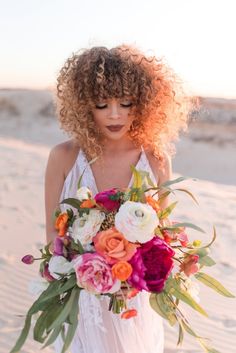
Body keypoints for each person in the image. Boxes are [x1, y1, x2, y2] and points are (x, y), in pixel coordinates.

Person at [45, 44, 192, 353]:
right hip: (82, 302)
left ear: (142, 103)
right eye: (102, 104)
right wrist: (85, 275)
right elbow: (52, 239)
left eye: (125, 102)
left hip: (134, 303)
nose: (114, 114)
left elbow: (161, 237)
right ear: (85, 105)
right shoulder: (64, 157)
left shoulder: (155, 159)